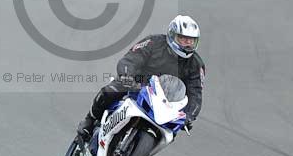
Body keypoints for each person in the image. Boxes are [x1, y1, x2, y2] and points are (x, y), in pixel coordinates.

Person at [76, 15, 205, 138]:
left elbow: (196, 93)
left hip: (166, 100)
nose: (188, 44)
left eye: (191, 40)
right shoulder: (153, 42)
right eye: (183, 39)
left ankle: (144, 148)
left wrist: (189, 116)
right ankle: (89, 120)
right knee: (112, 90)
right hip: (138, 83)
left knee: (174, 129)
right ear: (172, 35)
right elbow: (130, 59)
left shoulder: (196, 64)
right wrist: (127, 76)